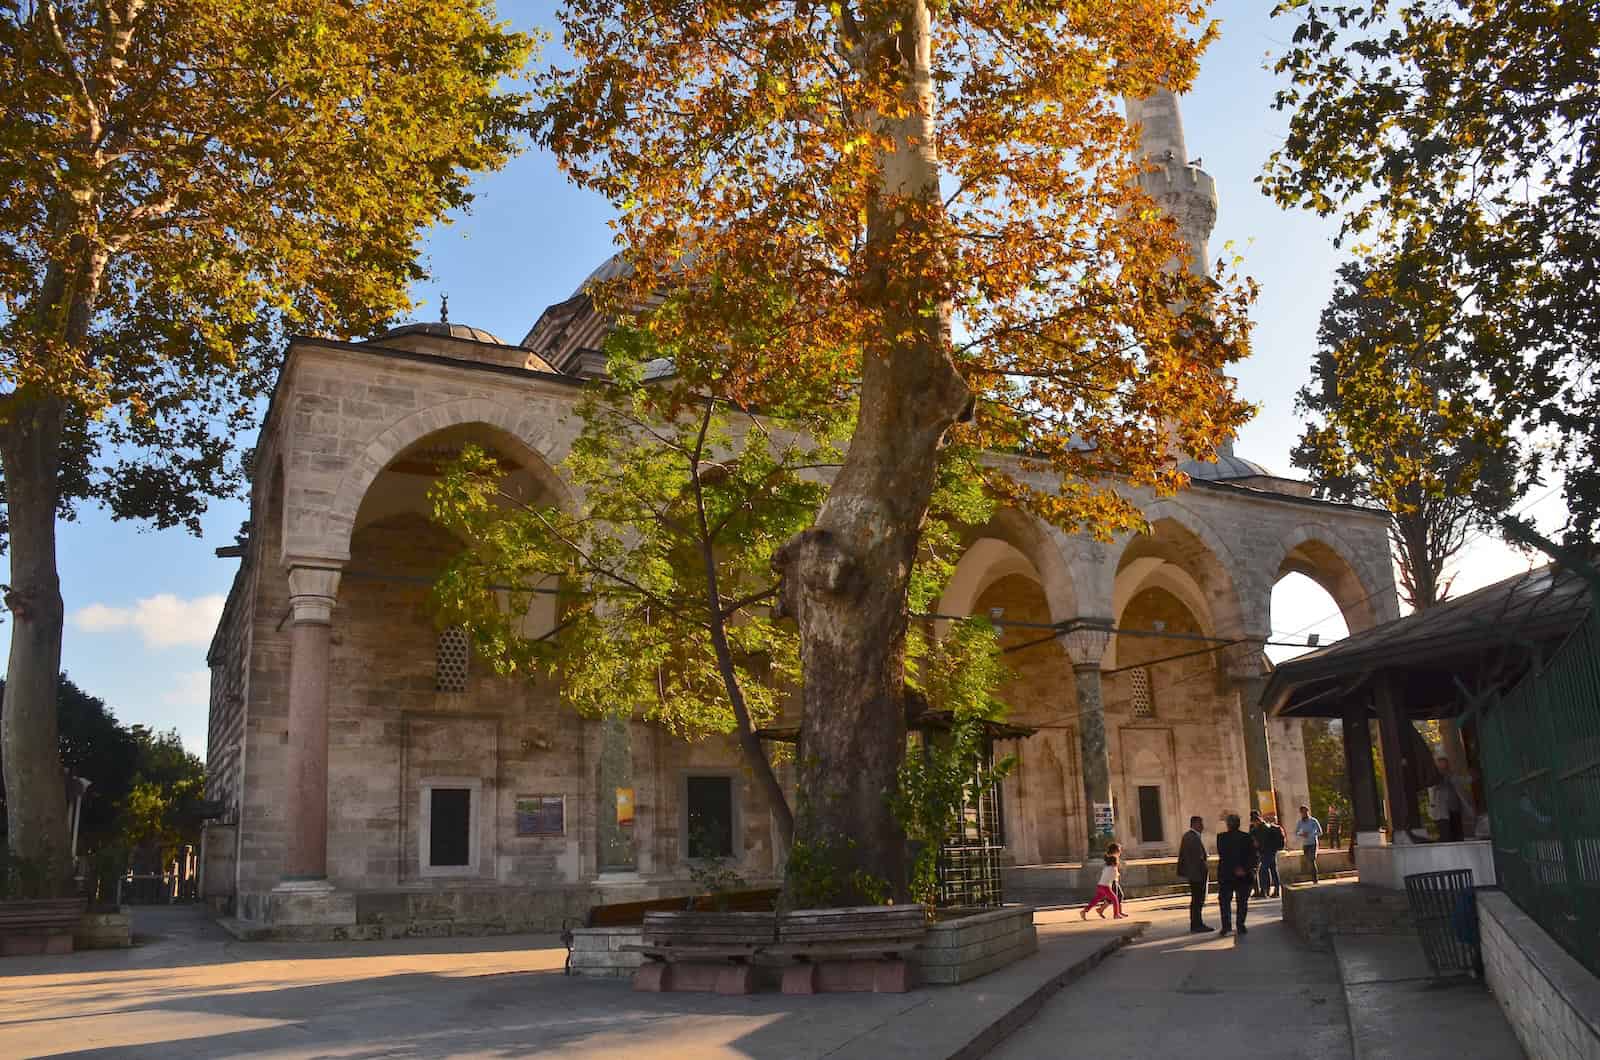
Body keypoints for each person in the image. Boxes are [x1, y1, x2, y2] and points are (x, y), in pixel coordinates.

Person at [1216, 813, 1258, 936]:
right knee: (1242, 901)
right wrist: (1244, 868)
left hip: (1227, 874)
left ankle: (1226, 926)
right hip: (1243, 875)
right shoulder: (1247, 837)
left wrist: (1235, 867)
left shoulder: (1221, 838)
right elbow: (1253, 856)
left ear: (1228, 825)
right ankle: (1240, 925)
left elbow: (1224, 855)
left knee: (1225, 902)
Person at [1177, 815, 1213, 933]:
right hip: (1197, 874)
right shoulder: (1191, 837)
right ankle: (1197, 924)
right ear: (1195, 824)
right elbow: (1196, 857)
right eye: (1200, 824)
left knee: (1197, 900)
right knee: (1198, 900)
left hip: (1195, 873)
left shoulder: (1190, 837)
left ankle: (1197, 923)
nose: (1202, 826)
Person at [1429, 755, 1471, 842]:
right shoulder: (1434, 778)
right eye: (1440, 764)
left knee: (1457, 834)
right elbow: (1432, 790)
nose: (1443, 766)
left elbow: (1462, 781)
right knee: (1446, 835)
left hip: (1454, 808)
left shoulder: (1452, 776)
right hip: (1442, 811)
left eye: (1444, 764)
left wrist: (1471, 778)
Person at [1081, 850, 1129, 920]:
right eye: (1117, 862)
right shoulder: (1113, 869)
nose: (1117, 863)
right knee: (1115, 899)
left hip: (1100, 885)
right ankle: (1116, 914)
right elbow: (1115, 878)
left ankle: (1084, 911)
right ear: (1113, 863)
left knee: (1096, 900)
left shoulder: (1106, 867)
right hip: (1105, 887)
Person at [1248, 810, 1274, 898]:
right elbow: (1250, 837)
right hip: (1256, 851)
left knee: (1264, 870)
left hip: (1265, 851)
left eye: (1255, 820)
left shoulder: (1264, 827)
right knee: (1255, 871)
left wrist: (1258, 843)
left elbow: (1265, 840)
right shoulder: (1252, 827)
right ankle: (1257, 890)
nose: (1253, 822)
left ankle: (1265, 890)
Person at [1295, 804, 1323, 883]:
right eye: (1302, 812)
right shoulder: (1300, 822)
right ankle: (1311, 876)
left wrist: (1310, 834)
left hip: (1313, 843)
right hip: (1305, 844)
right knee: (1308, 861)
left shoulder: (1313, 821)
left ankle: (1315, 879)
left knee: (1312, 860)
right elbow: (1296, 832)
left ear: (1307, 812)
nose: (1304, 814)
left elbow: (1320, 832)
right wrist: (1301, 834)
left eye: (1305, 812)